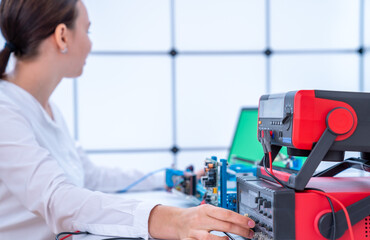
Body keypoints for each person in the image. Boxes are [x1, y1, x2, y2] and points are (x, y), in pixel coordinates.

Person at [0, 0, 255, 239]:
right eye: (87, 31)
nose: (90, 44)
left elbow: (89, 176)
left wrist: (169, 178)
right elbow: (58, 199)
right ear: (63, 36)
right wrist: (172, 220)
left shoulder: (46, 107)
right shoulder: (5, 110)